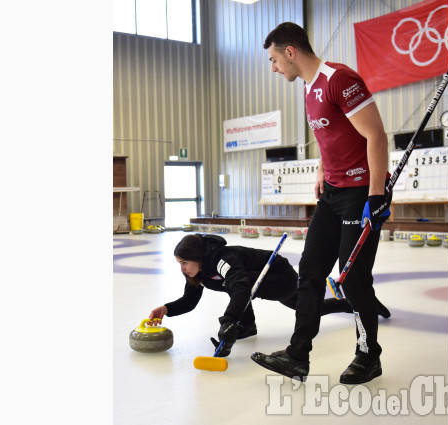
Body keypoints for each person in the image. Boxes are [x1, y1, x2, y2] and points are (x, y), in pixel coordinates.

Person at [251, 22, 393, 384]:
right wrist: (321, 169)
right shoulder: (309, 88)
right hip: (331, 193)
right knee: (310, 272)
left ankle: (368, 357)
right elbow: (331, 133)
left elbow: (375, 135)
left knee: (352, 278)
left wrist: (376, 195)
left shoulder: (339, 79)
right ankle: (297, 356)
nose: (273, 68)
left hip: (360, 193)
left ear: (290, 52)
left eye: (273, 60)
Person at [148, 233, 391, 357]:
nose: (183, 268)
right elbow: (190, 300)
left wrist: (229, 321)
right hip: (261, 282)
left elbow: (241, 288)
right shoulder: (198, 272)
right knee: (307, 308)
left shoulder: (222, 259)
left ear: (199, 258)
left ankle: (244, 324)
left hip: (279, 276)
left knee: (239, 285)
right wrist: (166, 309)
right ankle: (355, 305)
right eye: (179, 263)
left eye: (185, 262)